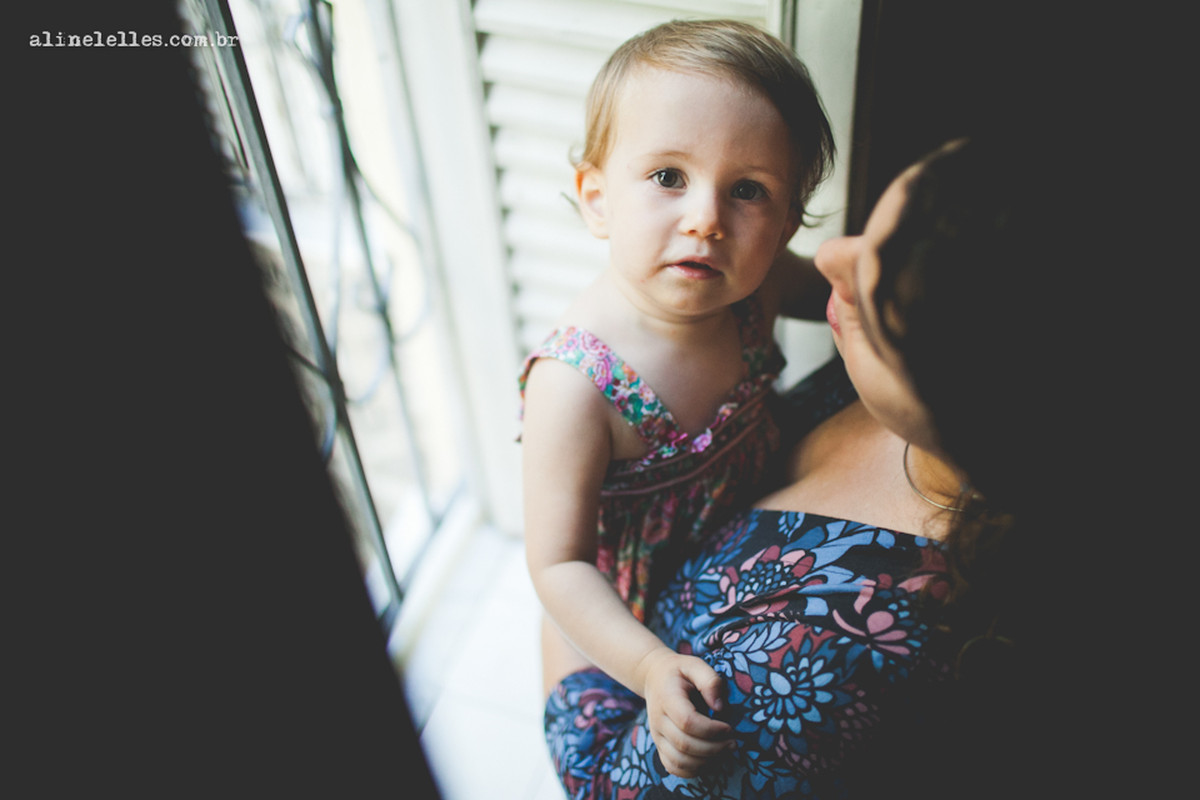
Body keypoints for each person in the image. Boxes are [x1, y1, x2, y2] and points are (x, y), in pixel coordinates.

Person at [539, 128, 1143, 798]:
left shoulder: (806, 677)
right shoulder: (587, 381)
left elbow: (609, 785)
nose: (829, 255)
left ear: (969, 400)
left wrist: (579, 613)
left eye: (872, 297)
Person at [518, 18, 835, 774]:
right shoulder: (577, 383)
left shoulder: (757, 292)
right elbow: (558, 566)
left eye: (749, 191)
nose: (706, 220)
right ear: (597, 199)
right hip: (630, 618)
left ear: (788, 219)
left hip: (742, 535)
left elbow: (848, 291)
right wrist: (649, 667)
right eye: (668, 177)